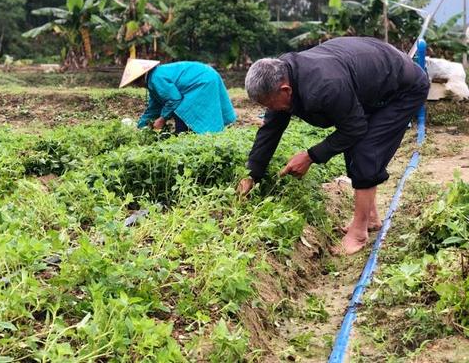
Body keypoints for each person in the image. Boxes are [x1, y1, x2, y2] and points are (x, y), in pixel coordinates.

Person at [237, 37, 429, 255]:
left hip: (403, 89)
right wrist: (251, 173)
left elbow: (354, 129)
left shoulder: (324, 86)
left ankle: (358, 232)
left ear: (285, 90)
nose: (271, 109)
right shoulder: (282, 74)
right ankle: (371, 217)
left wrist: (310, 156)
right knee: (354, 143)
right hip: (372, 82)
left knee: (365, 149)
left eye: (270, 104)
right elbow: (271, 129)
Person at [119, 59, 237, 134]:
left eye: (135, 83)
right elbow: (153, 107)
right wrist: (141, 126)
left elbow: (174, 99)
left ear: (139, 80)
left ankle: (184, 135)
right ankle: (185, 134)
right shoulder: (154, 79)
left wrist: (162, 119)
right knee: (176, 110)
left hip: (202, 81)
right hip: (206, 76)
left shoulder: (156, 78)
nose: (137, 86)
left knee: (182, 110)